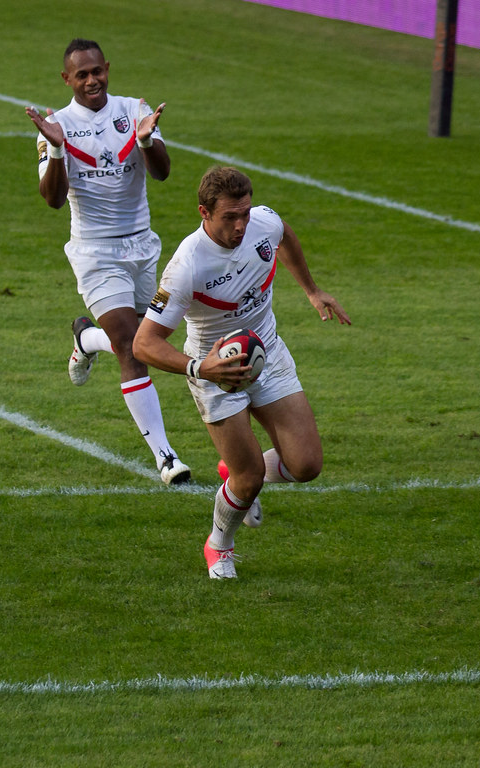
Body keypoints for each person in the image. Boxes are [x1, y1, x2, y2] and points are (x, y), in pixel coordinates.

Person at [133, 166, 351, 579]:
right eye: (230, 217)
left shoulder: (262, 223)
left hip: (266, 352)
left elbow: (283, 233)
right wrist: (202, 368)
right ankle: (219, 545)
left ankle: (231, 473)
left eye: (245, 214)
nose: (240, 225)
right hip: (215, 371)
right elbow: (143, 343)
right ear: (204, 213)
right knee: (248, 479)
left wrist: (311, 289)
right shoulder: (186, 266)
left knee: (306, 465)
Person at [24, 38, 191, 486]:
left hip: (141, 247)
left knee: (136, 344)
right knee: (132, 346)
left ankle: (85, 339)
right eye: (82, 74)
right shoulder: (55, 126)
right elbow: (54, 200)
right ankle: (166, 457)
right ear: (67, 79)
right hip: (95, 251)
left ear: (107, 69)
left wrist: (147, 140)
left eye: (97, 71)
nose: (92, 80)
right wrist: (56, 150)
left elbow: (162, 172)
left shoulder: (135, 111)